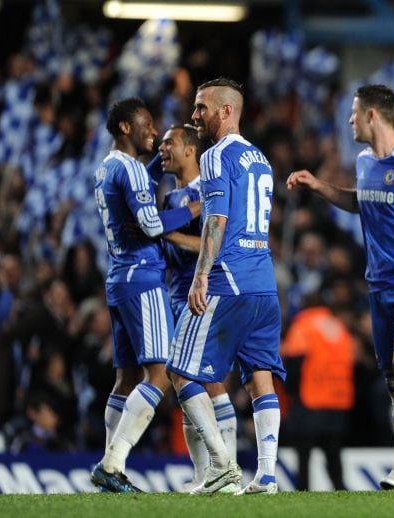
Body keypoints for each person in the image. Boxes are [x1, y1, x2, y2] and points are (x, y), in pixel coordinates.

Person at [286, 84, 394, 491]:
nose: (349, 120)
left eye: (354, 112)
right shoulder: (364, 162)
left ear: (372, 116)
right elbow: (361, 201)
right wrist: (320, 187)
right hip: (377, 289)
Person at [165, 77, 285, 496]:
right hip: (264, 284)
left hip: (228, 279)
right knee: (259, 380)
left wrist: (201, 275)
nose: (195, 115)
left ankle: (221, 465)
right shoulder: (262, 159)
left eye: (202, 107)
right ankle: (267, 476)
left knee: (179, 370)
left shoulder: (215, 156)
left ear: (227, 111)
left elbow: (216, 220)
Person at [90, 97, 200, 493]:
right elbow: (151, 223)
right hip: (143, 279)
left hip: (118, 280)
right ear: (124, 127)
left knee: (126, 379)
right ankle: (113, 462)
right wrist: (194, 208)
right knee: (160, 375)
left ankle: (109, 470)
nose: (154, 133)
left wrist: (155, 164)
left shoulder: (106, 168)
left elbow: (139, 191)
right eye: (147, 124)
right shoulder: (131, 169)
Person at [156, 124, 238, 492]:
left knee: (207, 380)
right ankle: (203, 475)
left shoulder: (210, 189)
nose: (162, 148)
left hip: (204, 293)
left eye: (169, 142)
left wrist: (167, 234)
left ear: (190, 150)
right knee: (186, 386)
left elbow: (216, 244)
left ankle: (226, 466)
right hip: (176, 293)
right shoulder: (171, 197)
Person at [281, 292, 355, 491]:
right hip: (337, 400)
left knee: (304, 454)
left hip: (309, 400)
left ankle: (303, 490)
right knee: (333, 452)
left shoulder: (303, 326)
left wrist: (290, 393)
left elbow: (294, 363)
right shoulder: (339, 327)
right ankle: (340, 489)